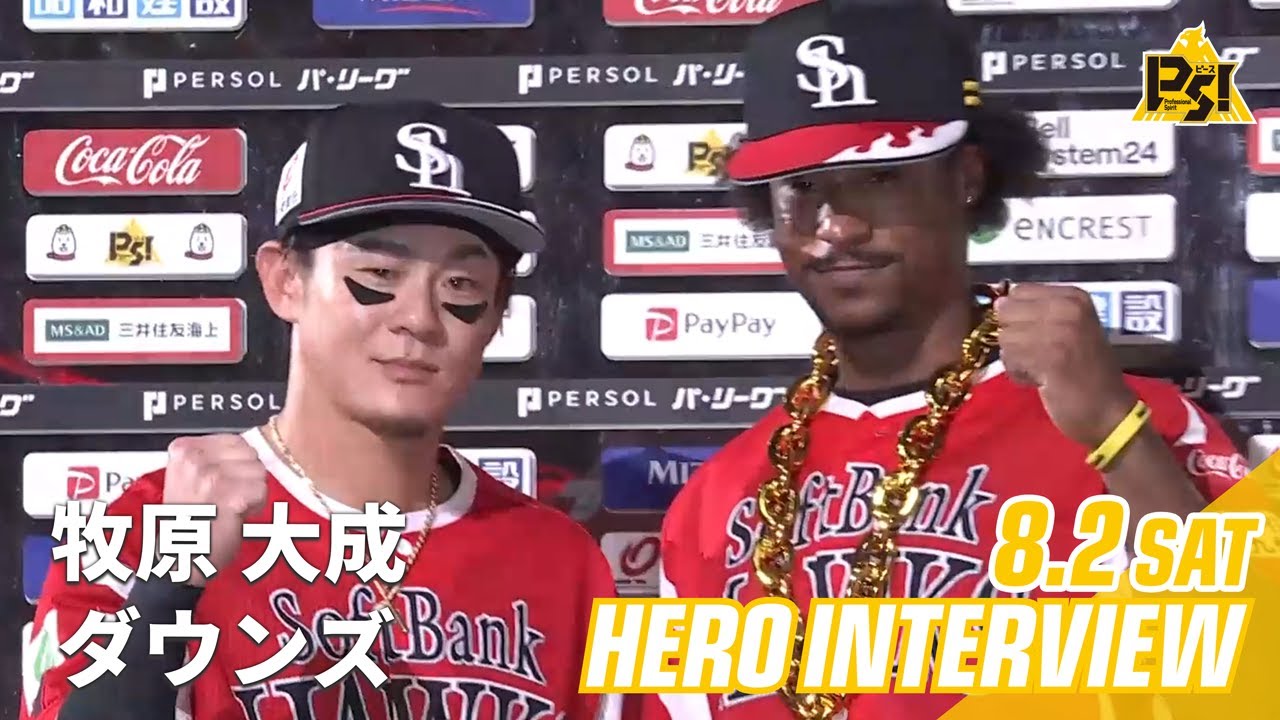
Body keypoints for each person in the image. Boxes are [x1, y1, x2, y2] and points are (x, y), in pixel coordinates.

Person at [643, 2, 1248, 719]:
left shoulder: (1139, 422)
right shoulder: (712, 503)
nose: (837, 227)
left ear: (966, 175)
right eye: (800, 188)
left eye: (879, 177)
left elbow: (1248, 666)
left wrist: (1117, 436)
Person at [24, 102, 621, 720]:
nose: (418, 319)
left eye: (460, 285)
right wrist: (172, 586)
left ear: (497, 313)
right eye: (379, 273)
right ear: (285, 280)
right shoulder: (133, 534)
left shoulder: (568, 562)